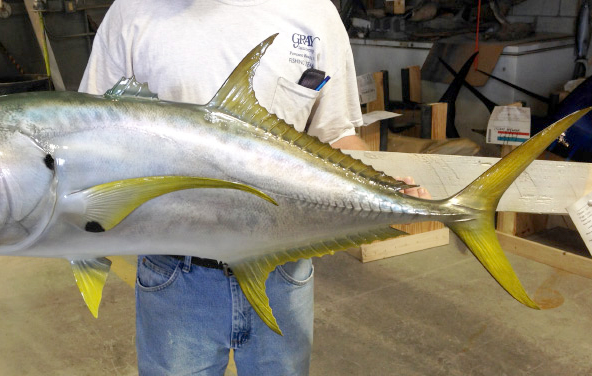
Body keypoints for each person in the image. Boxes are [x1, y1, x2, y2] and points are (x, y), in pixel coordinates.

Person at [79, 1, 429, 374]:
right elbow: (92, 136)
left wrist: (387, 188)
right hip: (174, 275)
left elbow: (334, 136)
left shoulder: (315, 12)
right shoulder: (131, 12)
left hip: (283, 269)